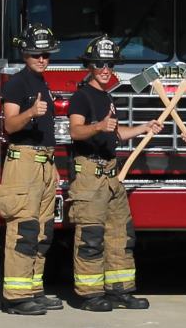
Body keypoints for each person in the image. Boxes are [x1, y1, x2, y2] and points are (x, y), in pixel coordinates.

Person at [64, 36, 161, 312]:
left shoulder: (107, 97)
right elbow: (75, 131)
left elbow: (115, 134)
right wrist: (98, 126)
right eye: (99, 64)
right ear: (90, 66)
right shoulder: (81, 96)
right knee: (91, 237)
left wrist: (144, 127)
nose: (105, 69)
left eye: (110, 64)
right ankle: (90, 295)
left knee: (121, 235)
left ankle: (120, 290)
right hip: (90, 175)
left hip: (111, 176)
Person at [0, 23, 61, 316]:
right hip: (23, 163)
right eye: (36, 54)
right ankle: (16, 297)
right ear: (25, 54)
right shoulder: (16, 84)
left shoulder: (42, 83)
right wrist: (31, 112)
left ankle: (33, 290)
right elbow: (9, 125)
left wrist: (52, 165)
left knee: (43, 232)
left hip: (44, 163)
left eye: (46, 54)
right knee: (24, 229)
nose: (42, 59)